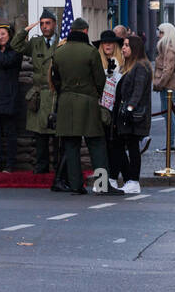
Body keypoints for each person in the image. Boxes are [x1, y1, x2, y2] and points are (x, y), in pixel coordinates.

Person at [50, 17, 118, 196]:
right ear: (85, 31)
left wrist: (65, 92)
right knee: (96, 145)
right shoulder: (90, 52)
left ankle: (75, 185)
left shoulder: (59, 52)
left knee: (71, 146)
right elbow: (100, 80)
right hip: (87, 102)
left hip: (65, 102)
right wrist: (93, 95)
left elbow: (55, 79)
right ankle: (102, 185)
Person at [10, 9, 59, 174]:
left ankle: (59, 168)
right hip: (39, 94)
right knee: (40, 136)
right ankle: (41, 167)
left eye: (48, 23)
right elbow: (15, 45)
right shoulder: (36, 42)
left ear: (55, 24)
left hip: (55, 95)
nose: (45, 27)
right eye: (42, 23)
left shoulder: (61, 42)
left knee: (57, 135)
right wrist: (26, 29)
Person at [112, 34, 152, 194]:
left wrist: (129, 108)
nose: (123, 48)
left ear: (135, 48)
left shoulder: (140, 67)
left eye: (127, 45)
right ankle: (123, 178)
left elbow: (138, 91)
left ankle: (133, 180)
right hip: (128, 114)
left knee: (132, 148)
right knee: (120, 146)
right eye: (123, 45)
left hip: (135, 116)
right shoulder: (128, 66)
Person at [0, 23, 23, 172]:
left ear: (10, 35)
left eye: (3, 34)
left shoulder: (15, 50)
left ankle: (10, 164)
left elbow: (4, 61)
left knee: (10, 133)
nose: (0, 37)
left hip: (9, 96)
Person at [96, 29, 125, 178]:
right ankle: (105, 177)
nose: (108, 45)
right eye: (105, 43)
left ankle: (116, 176)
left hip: (118, 109)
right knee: (103, 144)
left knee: (117, 145)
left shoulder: (122, 63)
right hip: (100, 109)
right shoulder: (96, 62)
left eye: (111, 43)